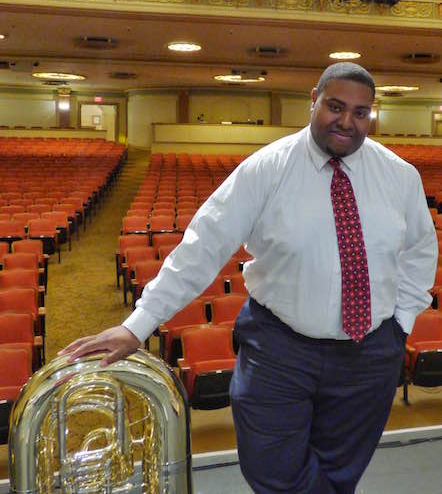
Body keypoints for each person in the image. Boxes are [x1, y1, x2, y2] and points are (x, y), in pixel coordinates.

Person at [60, 62, 438, 493]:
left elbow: (421, 251)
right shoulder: (266, 169)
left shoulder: (399, 176)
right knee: (272, 469)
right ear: (313, 100)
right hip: (280, 349)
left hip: (368, 354)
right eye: (336, 106)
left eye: (360, 112)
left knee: (342, 470)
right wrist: (138, 324)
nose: (347, 121)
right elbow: (202, 248)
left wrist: (399, 325)